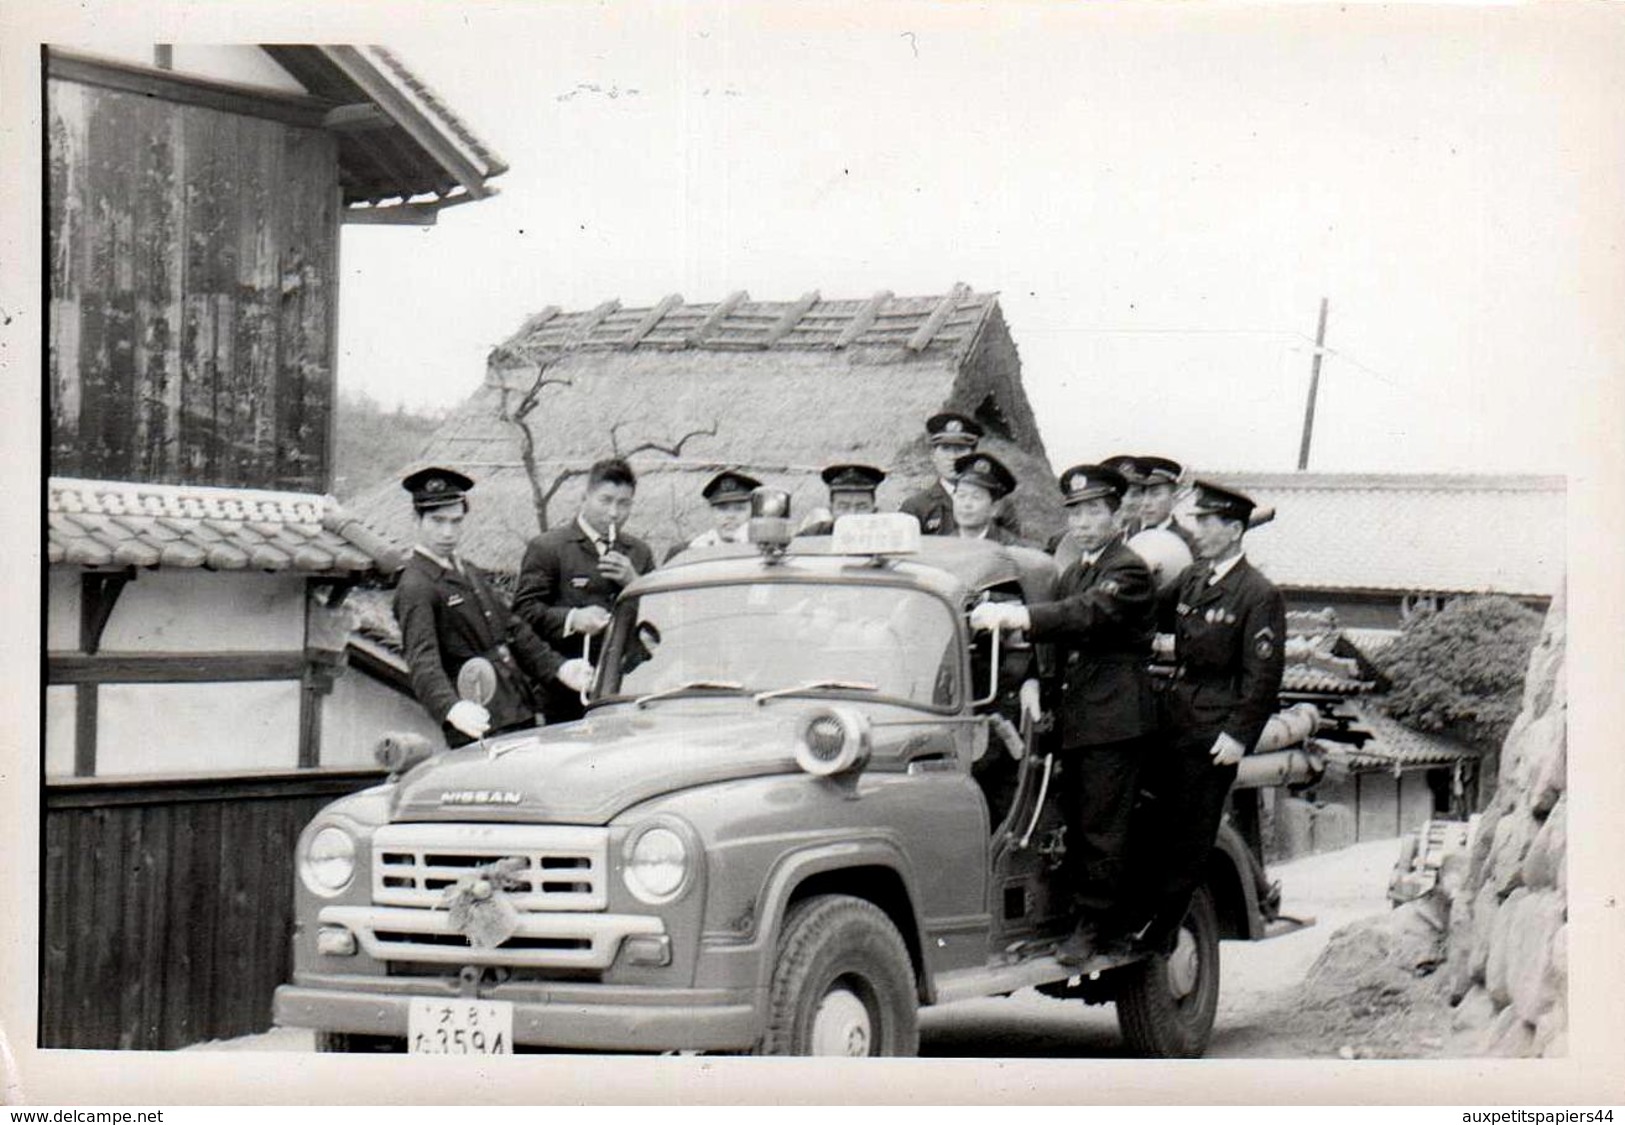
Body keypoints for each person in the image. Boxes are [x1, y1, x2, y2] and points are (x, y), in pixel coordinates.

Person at [969, 463, 1157, 965]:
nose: (1082, 522)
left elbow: (1086, 614)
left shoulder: (1127, 569)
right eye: (1075, 512)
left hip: (1115, 717)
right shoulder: (1075, 569)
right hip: (1081, 714)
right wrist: (1033, 677)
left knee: (1102, 825)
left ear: (1116, 515)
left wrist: (1020, 617)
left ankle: (1096, 925)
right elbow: (1057, 637)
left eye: (1094, 510)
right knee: (1075, 818)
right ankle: (1081, 918)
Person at [1132, 479, 1286, 953]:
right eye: (1198, 520)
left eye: (1208, 522)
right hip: (1175, 715)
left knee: (1191, 831)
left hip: (1216, 728)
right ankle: (1139, 907)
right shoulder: (1194, 578)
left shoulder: (1257, 594)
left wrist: (1239, 735)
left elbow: (1262, 676)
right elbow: (1147, 616)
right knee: (1150, 814)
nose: (1198, 530)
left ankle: (1165, 925)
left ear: (1235, 530)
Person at [393, 467, 591, 747]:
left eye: (455, 521)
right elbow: (422, 660)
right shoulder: (417, 584)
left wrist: (559, 668)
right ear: (416, 519)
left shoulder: (468, 571)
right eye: (437, 521)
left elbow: (513, 630)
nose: (448, 532)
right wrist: (450, 708)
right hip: (477, 719)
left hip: (517, 707)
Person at [514, 457, 656, 722]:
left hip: (627, 691)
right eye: (606, 500)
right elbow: (523, 614)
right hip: (564, 695)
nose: (614, 513)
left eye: (624, 503)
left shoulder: (639, 552)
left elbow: (659, 620)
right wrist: (572, 619)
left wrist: (634, 582)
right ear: (585, 497)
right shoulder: (548, 548)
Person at [899, 411, 1022, 537]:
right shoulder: (916, 507)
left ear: (973, 455)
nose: (952, 457)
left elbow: (1011, 548)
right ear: (933, 456)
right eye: (945, 449)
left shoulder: (997, 503)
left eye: (960, 449)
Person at [1125, 456, 1196, 590]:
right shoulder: (1124, 535)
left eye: (1155, 494)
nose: (1145, 503)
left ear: (1173, 496)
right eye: (1141, 493)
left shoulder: (1189, 543)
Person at [665, 469, 762, 561]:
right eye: (722, 509)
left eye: (739, 509)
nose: (730, 516)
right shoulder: (684, 553)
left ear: (754, 512)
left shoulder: (767, 553)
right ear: (711, 512)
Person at [948, 452, 1026, 546]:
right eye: (961, 495)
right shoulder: (946, 546)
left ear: (994, 508)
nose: (967, 504)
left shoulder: (1010, 549)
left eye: (976, 497)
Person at [796, 463, 886, 535]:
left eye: (861, 507)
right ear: (831, 510)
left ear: (874, 511)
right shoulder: (815, 534)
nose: (852, 514)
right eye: (844, 507)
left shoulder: (886, 534)